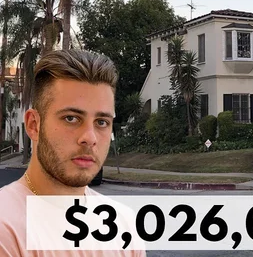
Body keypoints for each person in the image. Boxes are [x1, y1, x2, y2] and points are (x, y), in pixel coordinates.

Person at [0, 49, 146, 256]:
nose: (90, 138)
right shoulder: (6, 227)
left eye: (101, 122)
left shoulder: (124, 225)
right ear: (34, 125)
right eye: (71, 118)